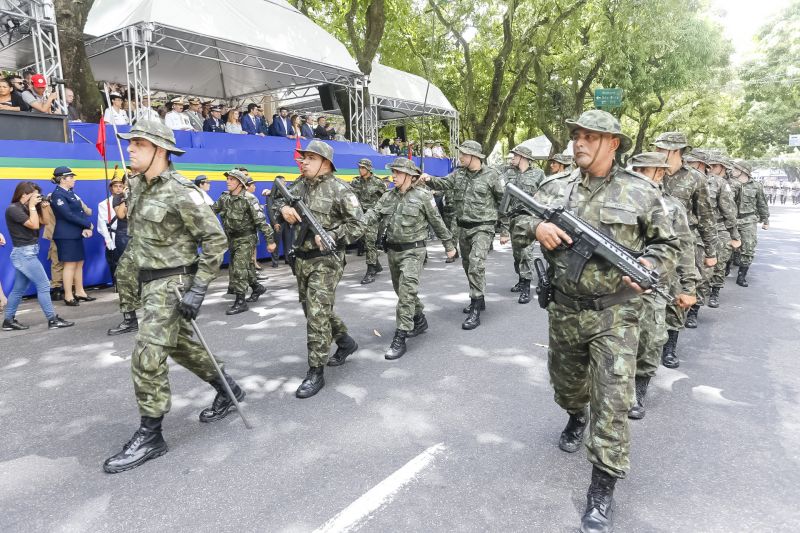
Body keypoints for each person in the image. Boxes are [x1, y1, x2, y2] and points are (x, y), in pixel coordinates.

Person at [524, 110, 678, 533]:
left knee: (612, 405)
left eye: (591, 136)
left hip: (617, 312)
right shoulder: (555, 186)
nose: (580, 143)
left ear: (613, 143)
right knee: (567, 387)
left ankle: (602, 488)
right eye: (576, 135)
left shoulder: (641, 192)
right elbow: (519, 220)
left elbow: (668, 246)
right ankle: (575, 414)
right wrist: (537, 226)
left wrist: (648, 263)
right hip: (564, 309)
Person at [102, 120, 244, 474]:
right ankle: (229, 388)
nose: (130, 149)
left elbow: (215, 240)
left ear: (159, 151)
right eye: (130, 143)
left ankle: (151, 435)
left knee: (147, 356)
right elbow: (140, 238)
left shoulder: (184, 191)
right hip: (148, 283)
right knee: (180, 345)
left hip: (173, 283)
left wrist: (199, 287)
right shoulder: (137, 186)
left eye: (138, 143)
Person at [272, 140, 365, 398]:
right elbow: (275, 200)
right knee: (314, 309)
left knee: (315, 314)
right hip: (301, 258)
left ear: (325, 163)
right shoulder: (298, 185)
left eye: (310, 158)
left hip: (326, 260)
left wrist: (333, 235)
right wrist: (284, 208)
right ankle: (346, 343)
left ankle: (316, 371)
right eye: (303, 158)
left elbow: (359, 226)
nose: (303, 162)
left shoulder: (341, 190)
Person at [362, 158, 455, 359]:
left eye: (397, 172)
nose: (393, 176)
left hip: (414, 251)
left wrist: (449, 245)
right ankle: (419, 318)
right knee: (401, 290)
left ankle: (400, 337)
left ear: (410, 176)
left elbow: (437, 221)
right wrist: (356, 225)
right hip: (393, 251)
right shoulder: (389, 196)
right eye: (393, 172)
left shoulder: (423, 196)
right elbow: (374, 213)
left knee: (406, 292)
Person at [627, 152, 696, 418]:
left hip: (656, 285)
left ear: (660, 174)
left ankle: (639, 390)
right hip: (617, 286)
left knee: (650, 340)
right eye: (639, 170)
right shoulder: (618, 201)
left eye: (649, 171)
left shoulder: (672, 207)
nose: (643, 176)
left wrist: (688, 287)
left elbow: (685, 247)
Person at [423, 140, 509, 330]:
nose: (460, 157)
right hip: (463, 227)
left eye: (463, 154)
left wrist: (504, 230)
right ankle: (480, 298)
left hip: (484, 227)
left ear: (474, 156)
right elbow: (443, 183)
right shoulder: (459, 173)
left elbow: (503, 202)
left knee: (476, 264)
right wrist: (428, 179)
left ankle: (476, 308)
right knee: (468, 265)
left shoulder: (492, 175)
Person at [652, 131, 718, 332]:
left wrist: (710, 251)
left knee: (679, 291)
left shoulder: (695, 178)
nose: (656, 151)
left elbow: (706, 215)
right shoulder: (649, 172)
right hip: (651, 240)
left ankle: (670, 344)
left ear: (675, 151)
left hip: (682, 243)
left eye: (660, 148)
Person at [2, 182, 74, 331]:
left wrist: (45, 206)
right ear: (24, 194)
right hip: (24, 253)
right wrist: (33, 207)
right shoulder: (13, 209)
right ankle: (52, 319)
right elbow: (34, 225)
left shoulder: (27, 208)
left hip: (28, 252)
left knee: (18, 288)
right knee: (44, 285)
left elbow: (45, 222)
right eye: (34, 195)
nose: (37, 197)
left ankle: (8, 321)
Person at [212, 170, 276, 314]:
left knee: (239, 268)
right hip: (232, 238)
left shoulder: (249, 199)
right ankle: (256, 287)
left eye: (232, 180)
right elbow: (212, 210)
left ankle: (241, 302)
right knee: (242, 267)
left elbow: (262, 222)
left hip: (246, 238)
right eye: (227, 179)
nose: (228, 181)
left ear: (240, 184)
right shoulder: (225, 198)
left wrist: (270, 241)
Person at [503, 145, 545, 304]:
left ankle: (527, 287)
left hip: (529, 218)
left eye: (515, 155)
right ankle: (521, 279)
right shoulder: (508, 173)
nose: (512, 158)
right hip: (513, 218)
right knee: (517, 253)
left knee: (526, 252)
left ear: (523, 157)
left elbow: (546, 193)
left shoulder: (538, 174)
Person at [50, 166, 96, 306]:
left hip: (74, 233)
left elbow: (79, 212)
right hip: (65, 235)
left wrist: (83, 227)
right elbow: (67, 215)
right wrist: (87, 224)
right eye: (71, 177)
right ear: (62, 179)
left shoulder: (69, 193)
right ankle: (68, 295)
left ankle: (80, 291)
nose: (74, 180)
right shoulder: (57, 194)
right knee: (69, 265)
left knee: (79, 263)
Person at [703, 153, 741, 309]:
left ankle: (715, 292)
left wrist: (734, 235)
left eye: (715, 165)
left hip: (719, 228)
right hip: (700, 228)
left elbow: (729, 211)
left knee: (719, 262)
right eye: (710, 165)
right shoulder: (696, 179)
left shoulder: (721, 184)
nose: (712, 168)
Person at [351, 158, 388, 284]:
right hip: (360, 216)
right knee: (362, 240)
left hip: (373, 216)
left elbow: (386, 198)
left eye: (363, 167)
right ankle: (376, 264)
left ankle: (371, 270)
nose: (360, 169)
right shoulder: (355, 181)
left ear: (369, 169)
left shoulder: (378, 182)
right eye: (359, 167)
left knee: (370, 242)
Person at [732, 160, 769, 287]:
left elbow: (762, 204)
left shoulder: (756, 186)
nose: (733, 171)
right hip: (731, 220)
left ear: (743, 171)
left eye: (736, 169)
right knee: (728, 247)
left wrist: (766, 220)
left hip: (748, 220)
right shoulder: (730, 183)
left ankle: (741, 276)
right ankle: (727, 266)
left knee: (748, 248)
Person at [97, 175, 125, 280]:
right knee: (115, 261)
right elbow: (102, 224)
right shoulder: (104, 204)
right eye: (115, 186)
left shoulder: (127, 201)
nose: (118, 188)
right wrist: (108, 240)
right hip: (113, 234)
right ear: (111, 188)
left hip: (127, 233)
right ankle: (117, 283)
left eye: (120, 186)